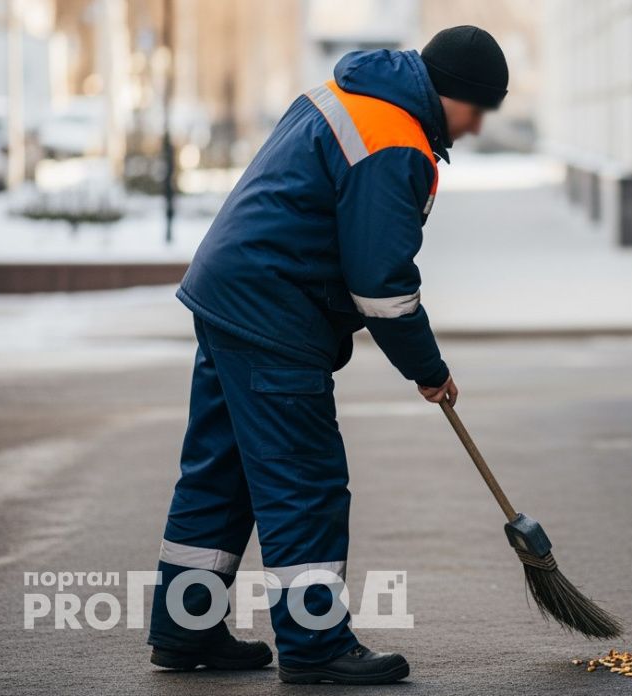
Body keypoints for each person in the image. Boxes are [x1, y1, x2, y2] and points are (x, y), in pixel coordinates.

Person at [145, 26, 508, 685]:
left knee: (221, 472)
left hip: (229, 292)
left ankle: (184, 628)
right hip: (274, 314)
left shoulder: (347, 93)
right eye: (477, 110)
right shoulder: (395, 140)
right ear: (452, 93)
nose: (477, 127)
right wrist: (428, 369)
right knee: (304, 483)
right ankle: (315, 647)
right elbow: (381, 284)